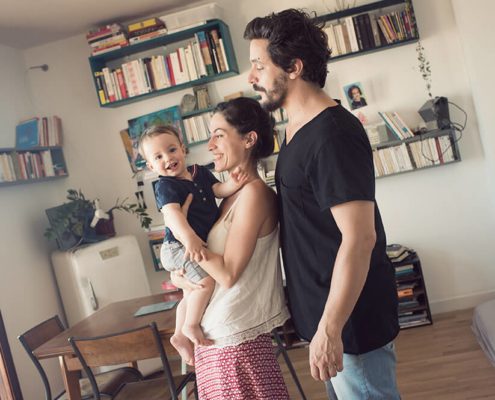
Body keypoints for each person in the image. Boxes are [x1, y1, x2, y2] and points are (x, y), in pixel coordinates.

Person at [244, 9, 400, 400]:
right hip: (324, 317)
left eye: (259, 66)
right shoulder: (296, 129)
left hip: (349, 324)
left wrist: (331, 328)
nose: (251, 78)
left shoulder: (332, 134)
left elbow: (360, 238)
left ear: (293, 67)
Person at [171, 97, 290, 399]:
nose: (209, 145)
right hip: (216, 336)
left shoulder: (254, 195)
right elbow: (205, 264)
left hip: (233, 338)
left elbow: (226, 274)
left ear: (249, 139)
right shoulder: (228, 198)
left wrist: (189, 239)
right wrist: (179, 276)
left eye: (219, 135)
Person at [138, 125, 247, 365]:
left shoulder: (200, 172)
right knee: (205, 283)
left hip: (188, 245)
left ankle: (178, 336)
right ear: (150, 166)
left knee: (189, 291)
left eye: (171, 149)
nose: (168, 158)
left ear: (183, 149)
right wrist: (189, 238)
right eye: (158, 157)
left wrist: (234, 184)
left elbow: (217, 190)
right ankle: (190, 325)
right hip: (177, 246)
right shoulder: (165, 186)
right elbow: (173, 215)